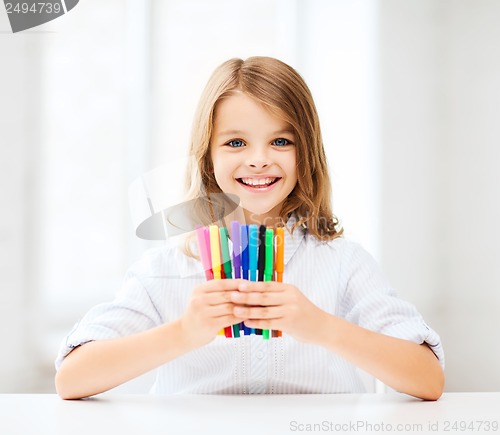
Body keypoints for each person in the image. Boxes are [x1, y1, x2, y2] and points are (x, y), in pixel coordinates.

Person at [55, 57, 444, 400]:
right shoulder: (165, 269)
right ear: (208, 158)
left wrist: (322, 326)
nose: (258, 160)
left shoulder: (343, 263)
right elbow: (71, 379)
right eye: (236, 142)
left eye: (280, 141)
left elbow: (428, 379)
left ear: (305, 154)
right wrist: (184, 332)